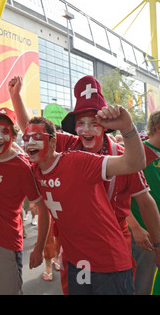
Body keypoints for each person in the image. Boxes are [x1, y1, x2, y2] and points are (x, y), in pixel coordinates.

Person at [8, 74, 160, 294]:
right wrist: (16, 96)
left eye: (94, 123)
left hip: (111, 247)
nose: (87, 130)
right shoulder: (70, 147)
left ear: (106, 126)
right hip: (76, 250)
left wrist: (156, 245)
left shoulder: (121, 156)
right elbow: (33, 133)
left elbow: (145, 201)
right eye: (81, 123)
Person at [24, 105, 145, 294]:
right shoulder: (34, 172)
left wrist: (127, 127)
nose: (30, 143)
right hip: (78, 263)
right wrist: (39, 249)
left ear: (54, 142)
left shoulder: (78, 161)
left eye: (37, 138)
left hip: (108, 265)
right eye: (27, 138)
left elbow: (134, 162)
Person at [0, 107, 50, 294]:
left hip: (3, 243)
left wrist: (39, 248)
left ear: (13, 136)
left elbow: (43, 209)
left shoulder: (22, 167)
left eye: (5, 131)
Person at [130, 110, 160, 294]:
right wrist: (135, 228)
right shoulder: (139, 153)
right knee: (144, 283)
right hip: (145, 235)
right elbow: (120, 194)